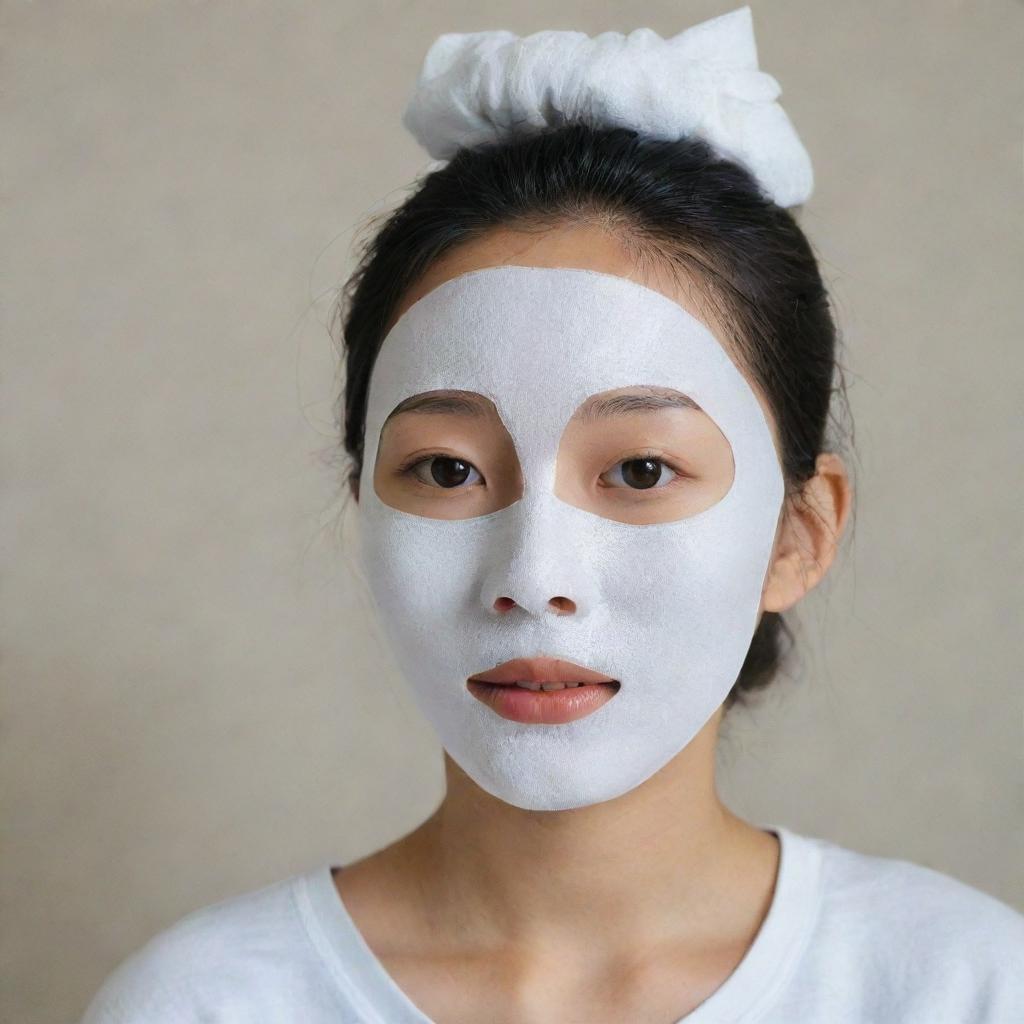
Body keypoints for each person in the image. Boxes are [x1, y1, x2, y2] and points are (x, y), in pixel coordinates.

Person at [80, 8, 1024, 1023]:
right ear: (365, 505)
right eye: (445, 469)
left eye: (642, 468)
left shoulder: (963, 986)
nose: (533, 576)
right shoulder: (203, 1004)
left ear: (798, 534)